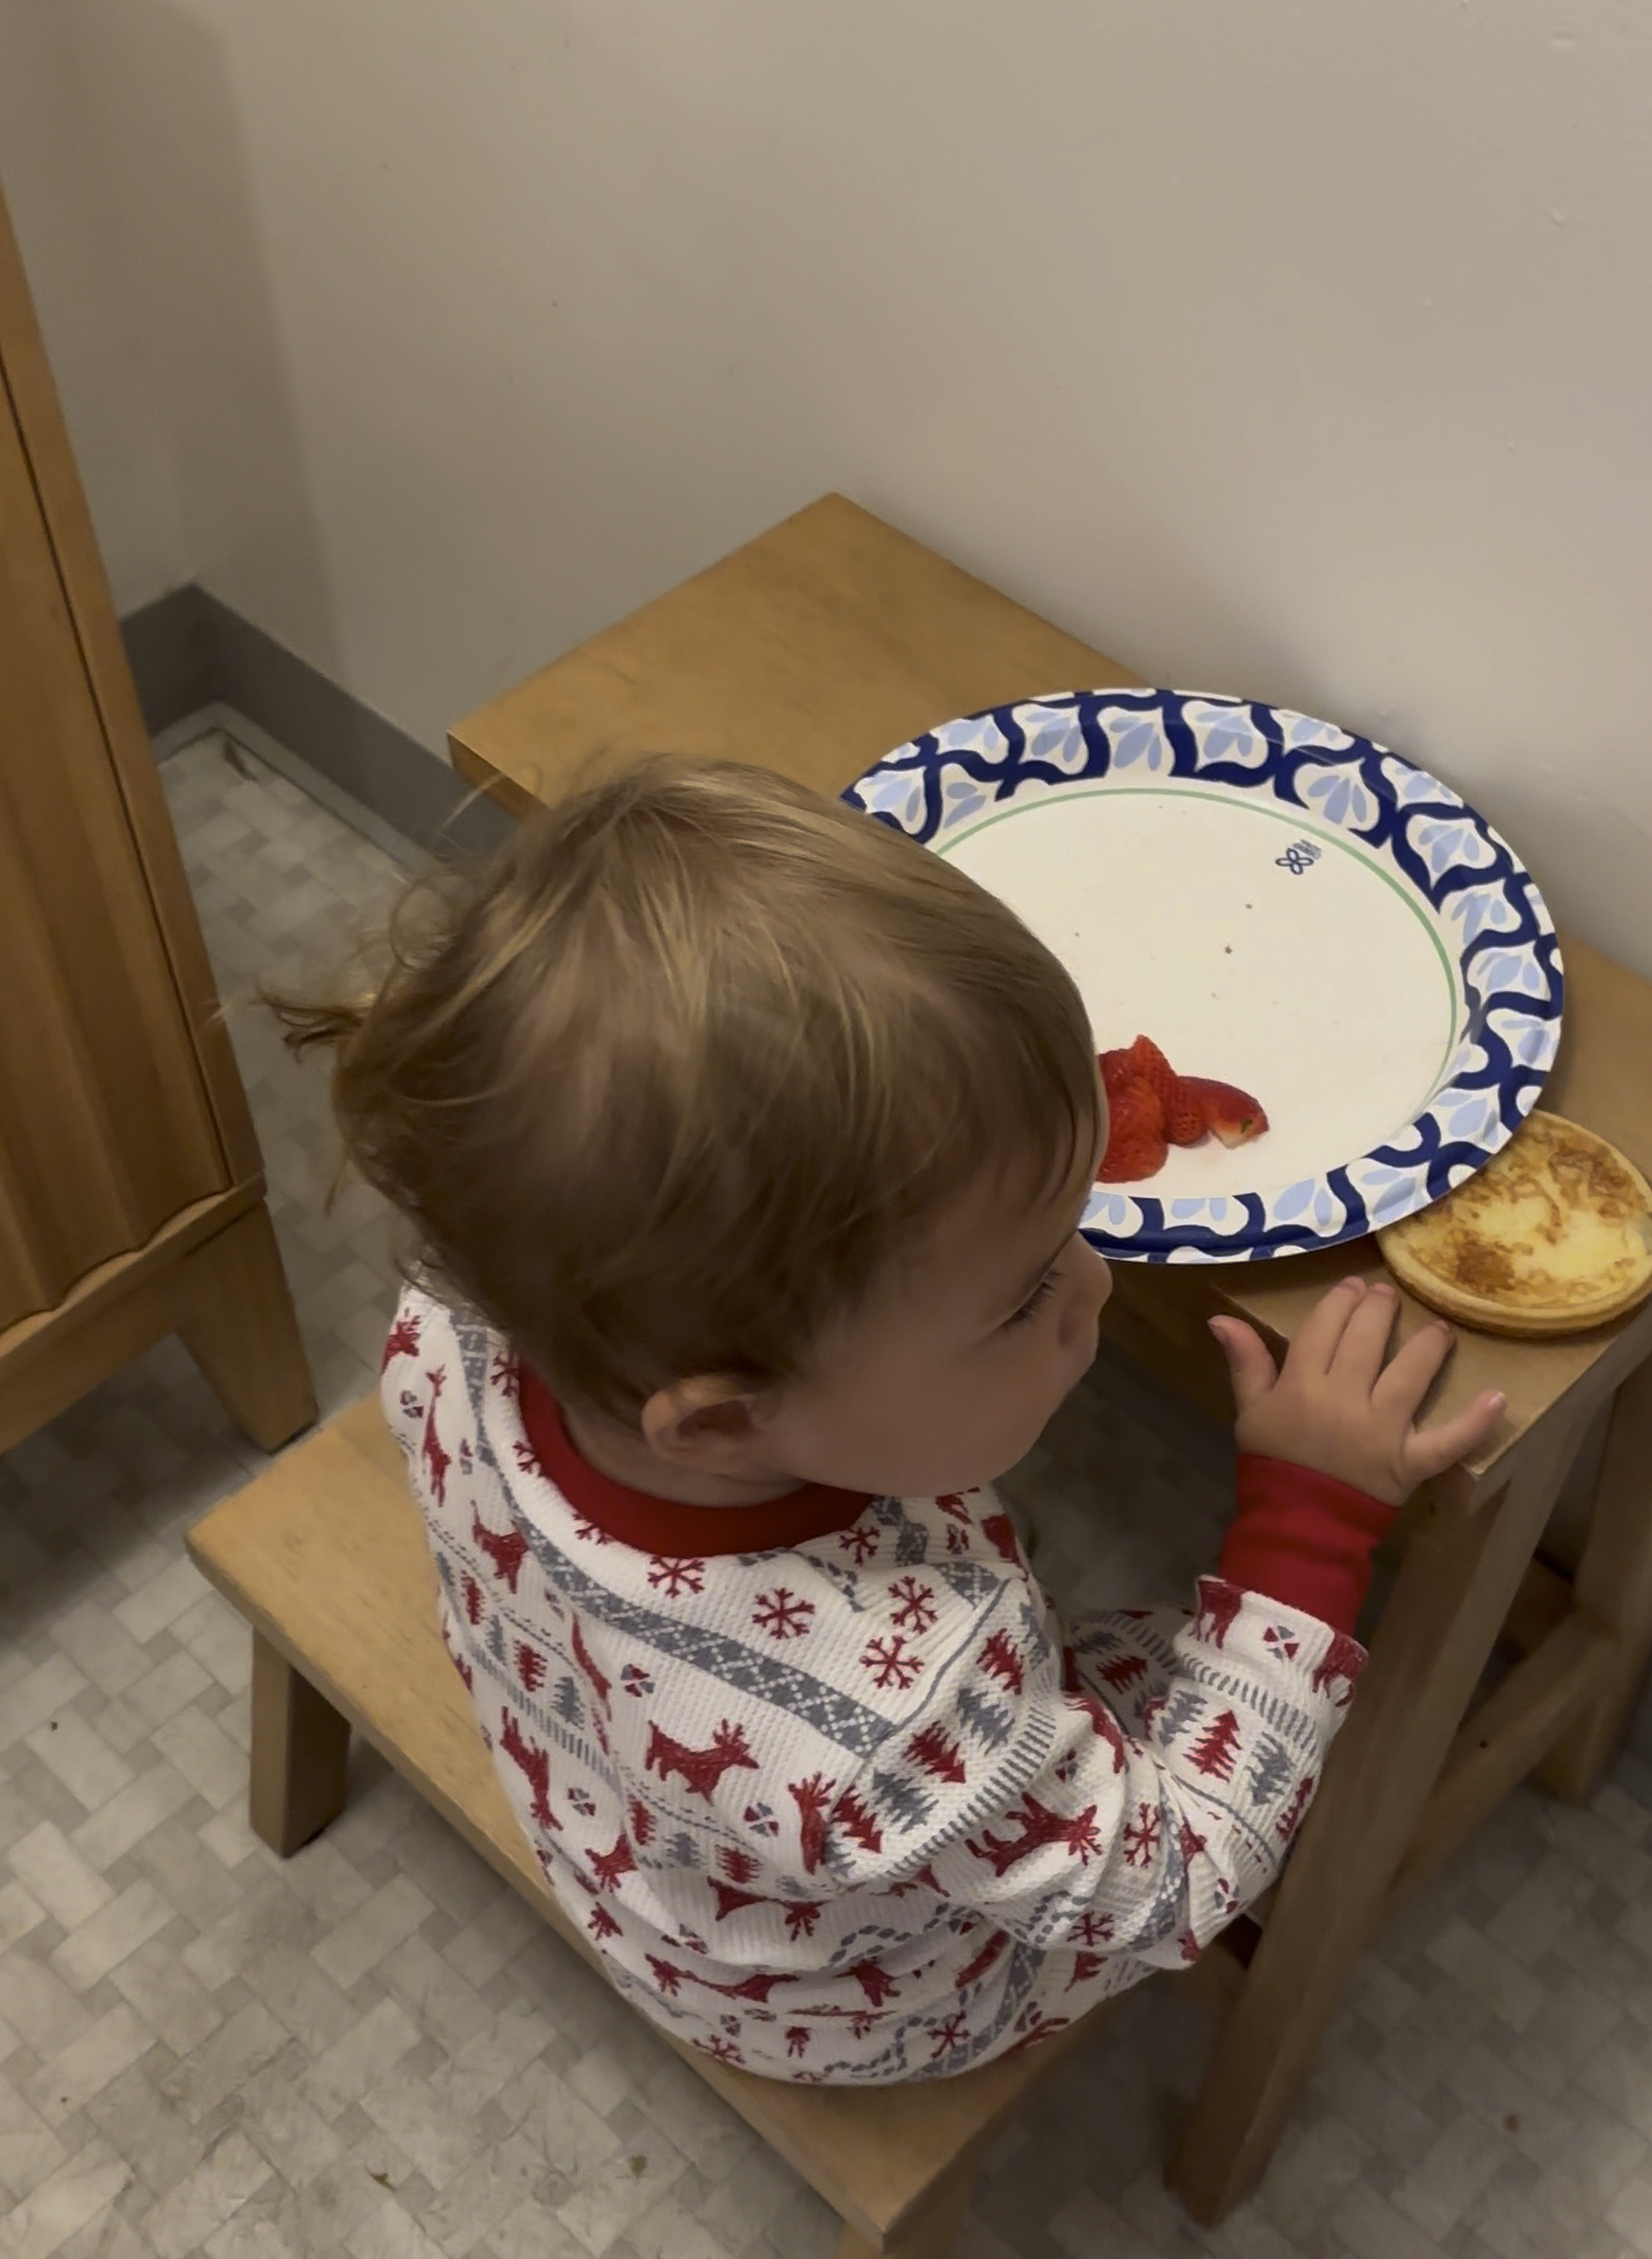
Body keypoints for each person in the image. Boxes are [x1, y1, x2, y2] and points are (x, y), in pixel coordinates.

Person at [279, 758, 1502, 2085]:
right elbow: (1173, 1886)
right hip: (847, 2009)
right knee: (1281, 1711)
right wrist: (1306, 1523)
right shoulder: (907, 1707)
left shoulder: (452, 1317)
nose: (1095, 1284)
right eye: (1027, 1289)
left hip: (615, 1810)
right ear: (723, 1426)